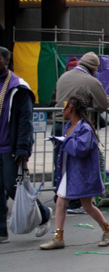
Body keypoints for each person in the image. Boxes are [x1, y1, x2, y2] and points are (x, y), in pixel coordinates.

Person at [41, 97, 109, 249]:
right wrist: (60, 141)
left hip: (82, 173)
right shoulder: (69, 125)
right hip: (69, 171)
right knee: (61, 201)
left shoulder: (85, 129)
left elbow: (80, 150)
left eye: (65, 106)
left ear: (71, 109)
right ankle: (58, 238)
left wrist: (63, 141)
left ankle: (108, 229)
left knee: (87, 205)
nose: (62, 109)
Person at [0, 46, 51, 244]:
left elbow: (24, 121)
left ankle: (44, 214)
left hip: (10, 149)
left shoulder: (18, 87)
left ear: (6, 60)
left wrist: (23, 148)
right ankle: (1, 232)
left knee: (13, 189)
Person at [53, 51, 109, 214]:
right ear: (93, 69)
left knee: (60, 163)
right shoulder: (90, 81)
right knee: (79, 165)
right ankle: (75, 202)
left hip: (58, 123)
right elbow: (103, 104)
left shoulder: (64, 76)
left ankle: (60, 199)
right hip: (77, 127)